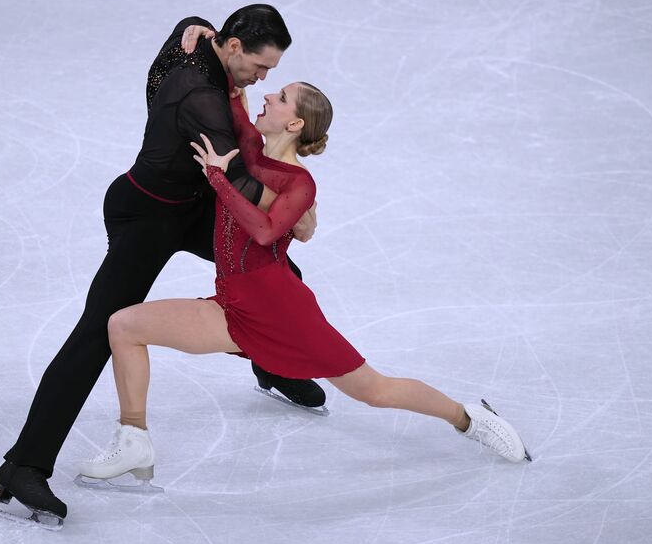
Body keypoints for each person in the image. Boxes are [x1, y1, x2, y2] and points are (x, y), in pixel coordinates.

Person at [77, 81, 531, 487]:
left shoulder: (300, 183)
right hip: (233, 301)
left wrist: (218, 176)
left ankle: (468, 417)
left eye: (281, 97)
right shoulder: (250, 150)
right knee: (125, 325)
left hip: (279, 308)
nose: (269, 96)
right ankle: (134, 440)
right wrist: (200, 34)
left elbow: (264, 232)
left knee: (372, 390)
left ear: (294, 122)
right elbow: (233, 96)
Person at [0, 4, 326, 527]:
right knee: (99, 331)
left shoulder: (199, 43)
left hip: (191, 204)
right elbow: (240, 180)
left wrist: (196, 22)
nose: (263, 81)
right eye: (260, 68)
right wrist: (297, 208)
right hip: (148, 213)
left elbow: (185, 26)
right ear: (233, 48)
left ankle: (271, 364)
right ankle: (23, 467)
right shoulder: (200, 97)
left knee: (279, 278)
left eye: (271, 75)